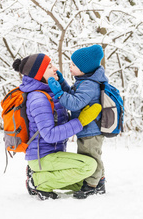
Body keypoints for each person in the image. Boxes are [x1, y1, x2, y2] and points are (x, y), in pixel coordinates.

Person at [12, 53, 102, 200]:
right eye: (49, 66)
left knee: (86, 182)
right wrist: (81, 121)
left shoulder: (49, 92)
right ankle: (38, 182)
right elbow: (50, 135)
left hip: (52, 155)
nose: (55, 68)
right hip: (43, 157)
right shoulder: (39, 99)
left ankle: (38, 175)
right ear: (40, 73)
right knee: (89, 166)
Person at [48, 45, 108, 199]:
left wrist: (58, 93)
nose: (70, 66)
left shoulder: (89, 85)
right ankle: (98, 181)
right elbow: (74, 95)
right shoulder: (85, 80)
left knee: (91, 157)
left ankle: (92, 186)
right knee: (90, 155)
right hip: (87, 129)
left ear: (84, 69)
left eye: (74, 65)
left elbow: (74, 103)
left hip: (92, 130)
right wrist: (62, 83)